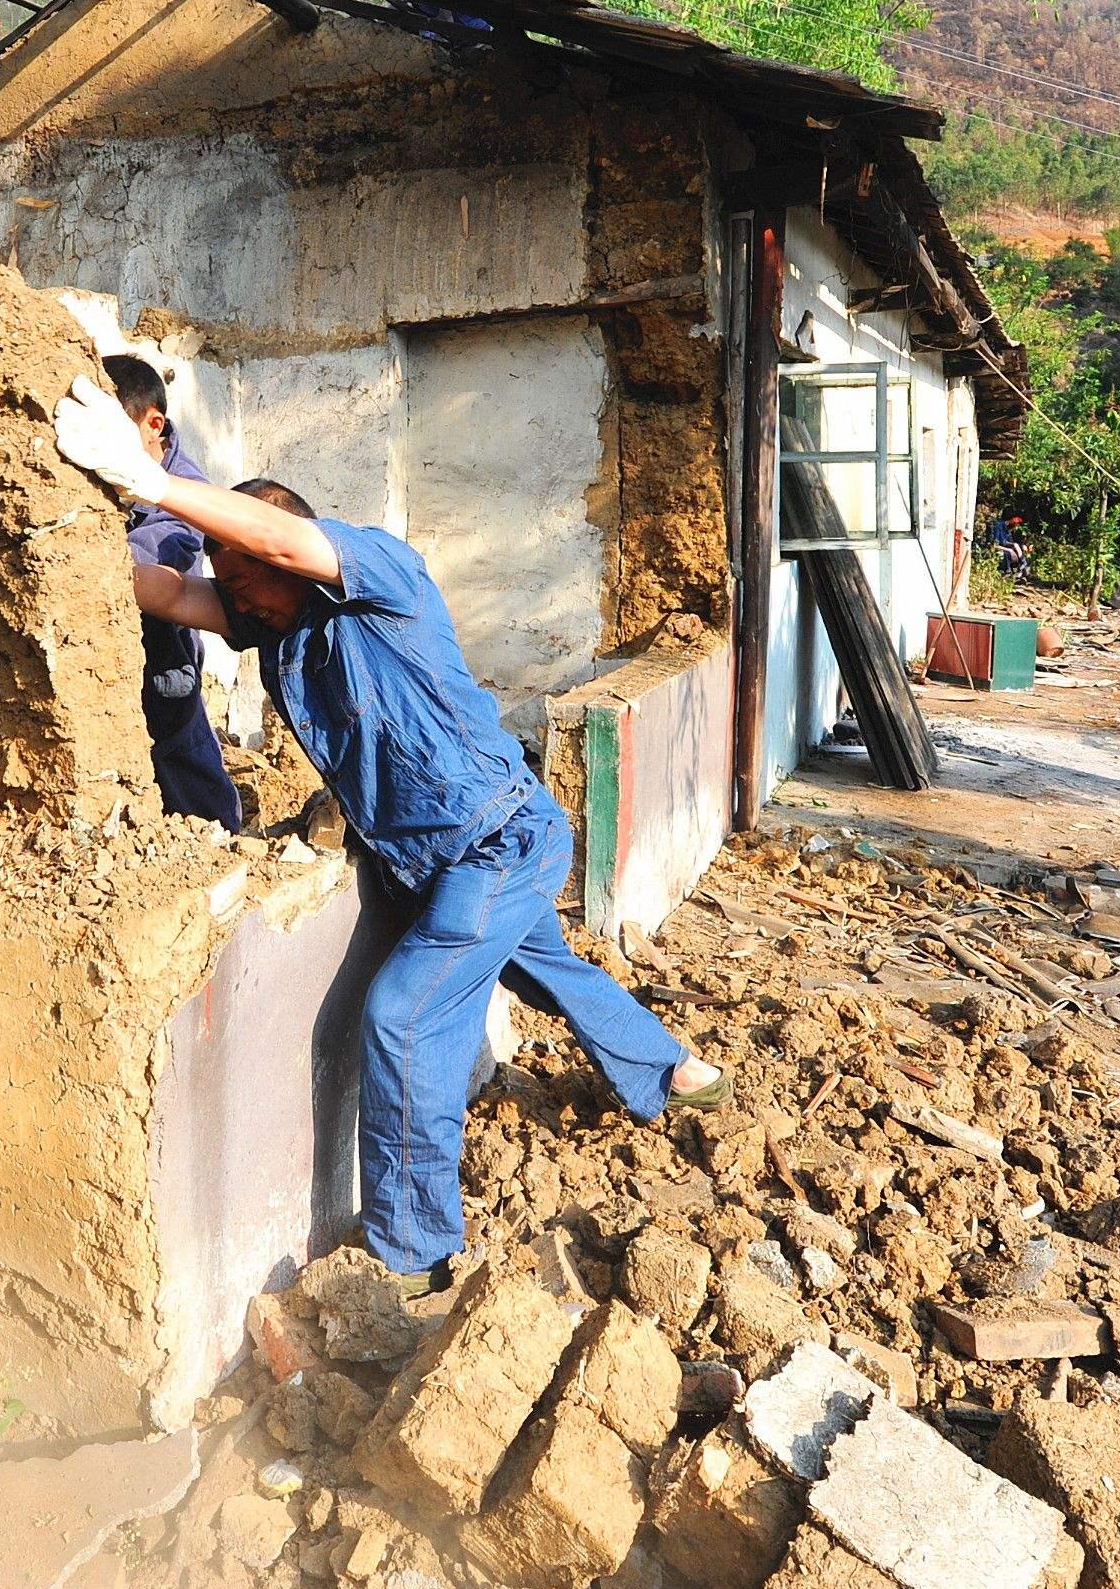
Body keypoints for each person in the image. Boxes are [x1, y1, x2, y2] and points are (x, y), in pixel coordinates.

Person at [51, 375, 724, 1281]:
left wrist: (153, 478)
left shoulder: (378, 575)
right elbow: (170, 596)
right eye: (228, 573)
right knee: (540, 965)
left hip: (495, 841)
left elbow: (283, 539)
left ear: (289, 557)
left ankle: (414, 1257)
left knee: (403, 1017)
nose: (234, 591)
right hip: (423, 861)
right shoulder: (272, 623)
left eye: (244, 570)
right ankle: (672, 1068)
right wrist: (68, 529)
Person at [102, 354, 243, 831]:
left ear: (153, 425)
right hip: (113, 667)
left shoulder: (184, 494)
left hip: (165, 662)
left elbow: (158, 561)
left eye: (107, 434)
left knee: (183, 755)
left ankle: (223, 834)